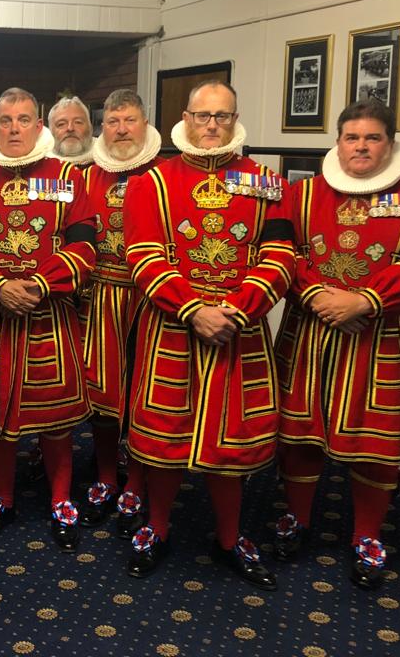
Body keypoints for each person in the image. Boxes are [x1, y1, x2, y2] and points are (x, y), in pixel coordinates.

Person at [273, 100, 400, 589]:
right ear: (338, 142)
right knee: (299, 433)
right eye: (352, 137)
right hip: (309, 329)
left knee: (375, 444)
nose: (361, 146)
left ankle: (368, 536)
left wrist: (365, 302)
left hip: (384, 336)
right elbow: (279, 256)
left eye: (372, 138)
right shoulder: (301, 194)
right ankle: (297, 517)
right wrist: (315, 295)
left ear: (390, 143)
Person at [123, 80, 294, 589]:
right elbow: (142, 256)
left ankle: (228, 538)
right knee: (163, 436)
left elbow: (281, 256)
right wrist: (193, 308)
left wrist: (237, 311)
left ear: (235, 118)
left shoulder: (265, 182)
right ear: (186, 117)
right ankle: (157, 526)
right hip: (172, 326)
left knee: (231, 445)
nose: (213, 125)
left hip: (238, 329)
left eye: (222, 116)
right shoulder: (151, 181)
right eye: (203, 116)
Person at [0, 87, 96, 552]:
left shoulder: (69, 175)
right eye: (5, 120)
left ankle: (61, 499)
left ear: (39, 126)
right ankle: (3, 497)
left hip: (48, 314)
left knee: (57, 419)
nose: (14, 128)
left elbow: (85, 245)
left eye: (24, 119)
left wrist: (40, 285)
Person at [77, 89, 162, 537]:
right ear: (102, 128)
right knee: (103, 393)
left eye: (130, 120)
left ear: (146, 124)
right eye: (113, 122)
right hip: (99, 297)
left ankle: (140, 481)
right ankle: (107, 475)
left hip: (154, 300)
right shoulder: (81, 178)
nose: (122, 129)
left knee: (145, 395)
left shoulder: (167, 176)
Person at [48, 95, 94, 167]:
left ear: (90, 128)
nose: (70, 128)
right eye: (61, 124)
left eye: (78, 122)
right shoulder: (37, 166)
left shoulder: (108, 165)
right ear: (50, 131)